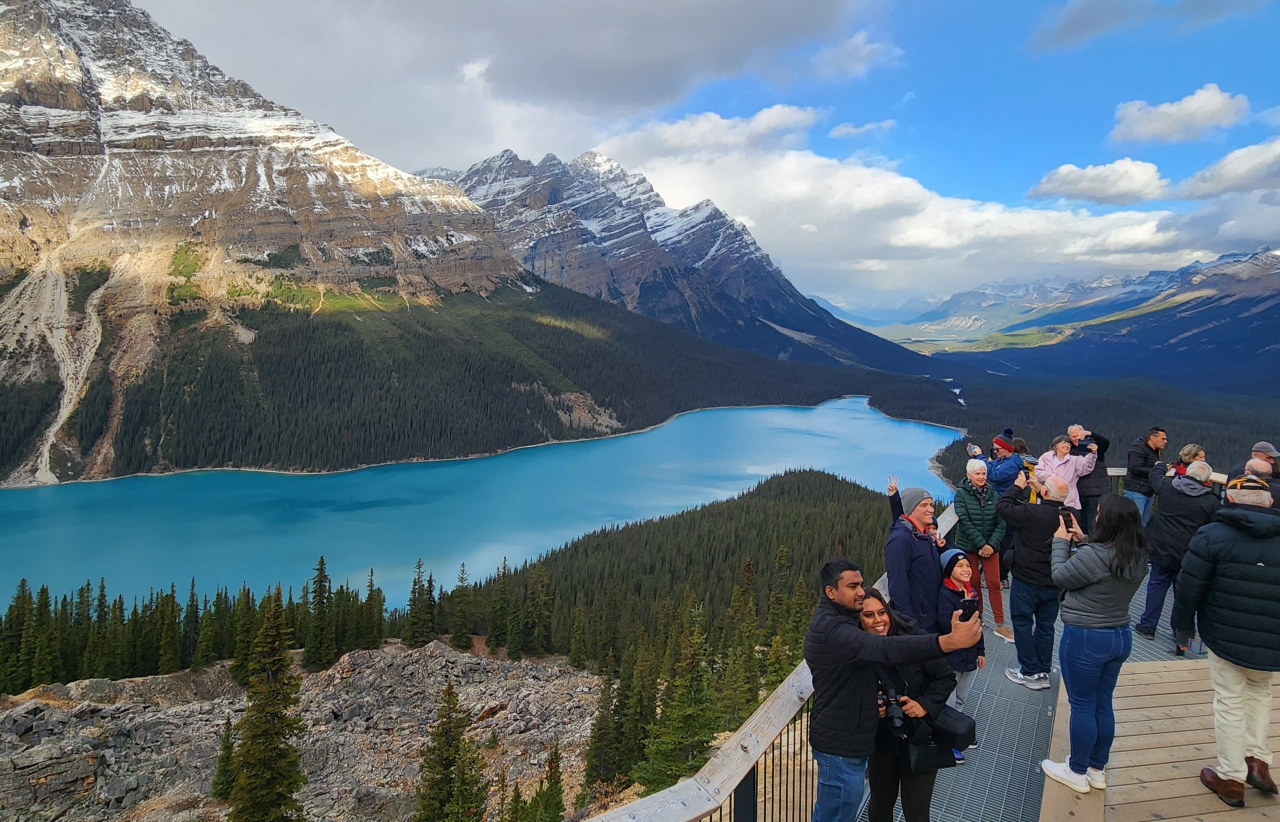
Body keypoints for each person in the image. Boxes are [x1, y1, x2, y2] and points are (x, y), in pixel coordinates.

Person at [806, 559, 983, 822]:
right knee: (842, 810)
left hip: (871, 740)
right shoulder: (837, 630)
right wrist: (947, 642)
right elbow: (882, 650)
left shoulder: (845, 622)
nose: (860, 592)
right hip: (846, 746)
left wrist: (916, 703)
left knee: (851, 809)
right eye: (852, 586)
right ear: (831, 592)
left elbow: (940, 676)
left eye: (862, 585)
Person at [1172, 477, 1280, 808]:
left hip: (1224, 632)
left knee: (1230, 699)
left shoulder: (1212, 535)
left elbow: (1188, 586)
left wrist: (1182, 628)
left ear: (1229, 498)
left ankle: (1231, 778)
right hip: (1272, 636)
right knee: (1260, 692)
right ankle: (1258, 761)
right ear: (1270, 503)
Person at [1040, 495, 1148, 794]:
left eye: (1099, 513)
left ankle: (1075, 770)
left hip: (1086, 637)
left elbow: (1061, 576)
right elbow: (1105, 563)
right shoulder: (1138, 555)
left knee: (1082, 705)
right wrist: (1084, 538)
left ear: (1108, 520)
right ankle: (1096, 769)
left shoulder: (1094, 556)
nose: (1096, 516)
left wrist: (1062, 542)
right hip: (1119, 635)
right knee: (1103, 703)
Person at [862, 587, 958, 821]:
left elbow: (946, 677)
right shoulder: (858, 652)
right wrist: (870, 707)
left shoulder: (912, 639)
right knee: (880, 804)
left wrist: (923, 705)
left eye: (881, 612)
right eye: (868, 615)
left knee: (916, 811)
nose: (878, 621)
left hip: (920, 736)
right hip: (881, 742)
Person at [1135, 460, 1220, 646]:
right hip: (1189, 551)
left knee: (1157, 583)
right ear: (1207, 480)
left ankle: (1148, 625)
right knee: (1182, 591)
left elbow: (1154, 478)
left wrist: (1159, 465)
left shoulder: (1168, 487)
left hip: (1161, 546)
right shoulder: (1211, 501)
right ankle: (1178, 630)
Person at [997, 472, 1069, 690]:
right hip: (1054, 581)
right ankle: (1043, 671)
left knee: (1022, 624)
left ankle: (1028, 671)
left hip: (1026, 580)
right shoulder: (1067, 515)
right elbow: (1049, 505)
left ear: (1045, 491)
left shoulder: (1029, 512)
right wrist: (1041, 489)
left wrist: (1018, 486)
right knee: (1046, 627)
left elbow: (1002, 507)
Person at [951, 459, 1011, 642]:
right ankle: (979, 616)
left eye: (983, 473)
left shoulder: (993, 494)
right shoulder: (961, 494)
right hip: (969, 546)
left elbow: (1001, 522)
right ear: (969, 475)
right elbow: (964, 521)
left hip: (990, 546)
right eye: (977, 474)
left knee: (993, 582)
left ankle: (1000, 625)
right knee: (974, 581)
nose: (981, 477)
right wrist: (981, 544)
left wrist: (991, 545)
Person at [936, 549, 985, 761]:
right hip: (953, 654)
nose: (966, 570)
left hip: (969, 655)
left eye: (968, 565)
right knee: (950, 696)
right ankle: (949, 738)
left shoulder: (971, 591)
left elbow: (978, 624)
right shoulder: (946, 594)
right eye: (960, 566)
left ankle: (959, 730)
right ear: (949, 571)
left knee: (962, 696)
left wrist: (980, 651)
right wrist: (964, 607)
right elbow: (948, 625)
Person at [885, 488, 945, 631]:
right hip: (918, 623)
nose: (931, 509)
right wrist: (909, 623)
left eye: (931, 504)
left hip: (932, 616)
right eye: (924, 505)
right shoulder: (900, 540)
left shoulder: (923, 535)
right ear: (910, 509)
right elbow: (898, 587)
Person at [1036, 435, 1097, 520]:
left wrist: (1093, 454)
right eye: (1064, 443)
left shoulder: (1074, 460)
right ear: (1056, 445)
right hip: (1047, 500)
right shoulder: (1045, 458)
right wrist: (1054, 478)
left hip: (1069, 501)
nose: (1067, 445)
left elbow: (1087, 466)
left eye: (1068, 444)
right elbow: (1037, 473)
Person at [1069, 425, 1111, 533]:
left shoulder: (1094, 448)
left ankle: (1093, 546)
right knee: (1080, 524)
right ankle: (1082, 547)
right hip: (1078, 494)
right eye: (1073, 436)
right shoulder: (1069, 451)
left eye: (1078, 435)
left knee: (1094, 524)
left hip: (1096, 492)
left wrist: (1091, 434)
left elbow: (1105, 443)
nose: (1076, 438)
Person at [1125, 427, 1167, 524]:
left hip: (1147, 491)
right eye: (1163, 439)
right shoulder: (1138, 449)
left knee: (1143, 524)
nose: (1165, 441)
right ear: (1153, 438)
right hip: (1136, 491)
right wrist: (1156, 469)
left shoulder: (1153, 450)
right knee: (1133, 524)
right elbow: (1134, 468)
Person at [967, 428, 1024, 497]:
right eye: (994, 449)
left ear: (1007, 448)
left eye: (997, 449)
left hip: (1002, 501)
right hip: (993, 497)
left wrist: (980, 456)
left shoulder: (1012, 465)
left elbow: (993, 475)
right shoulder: (1001, 460)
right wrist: (975, 457)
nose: (995, 452)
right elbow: (985, 468)